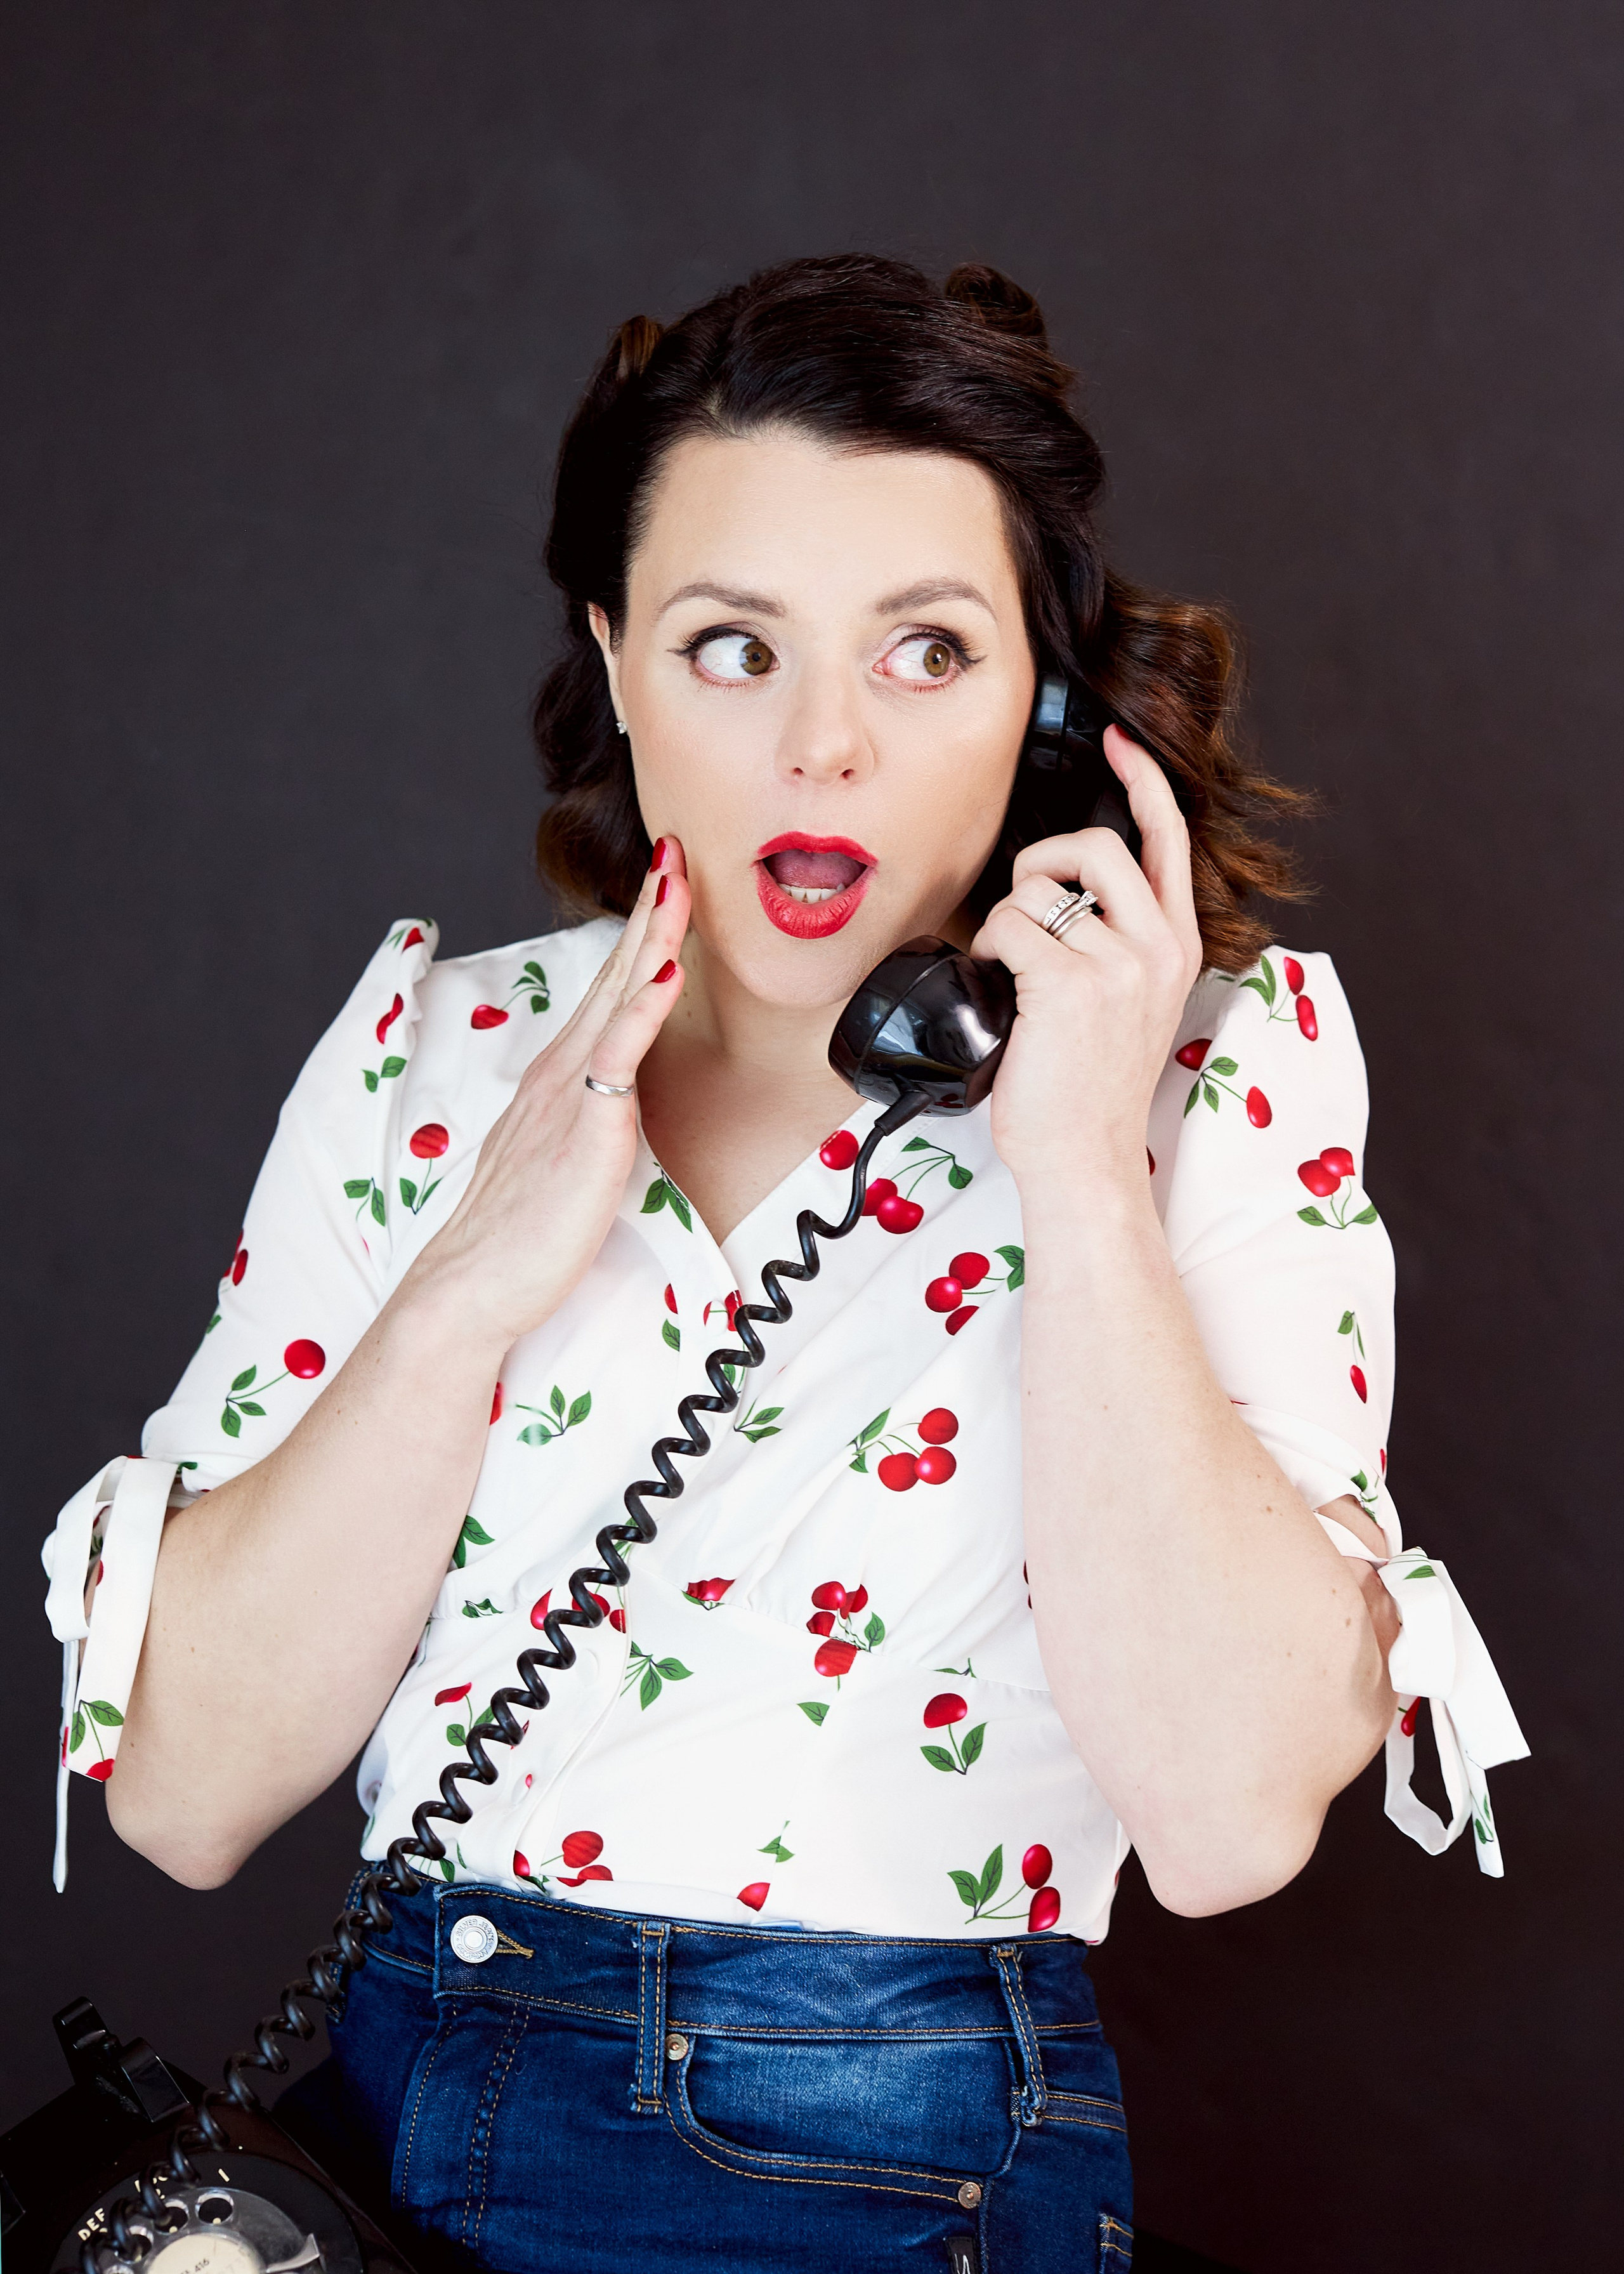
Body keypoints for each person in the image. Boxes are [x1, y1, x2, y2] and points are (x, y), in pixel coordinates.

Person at [42, 255, 1524, 2274]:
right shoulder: (439, 1055)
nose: (824, 746)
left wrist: (1080, 1178)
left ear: (1051, 704)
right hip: (367, 2141)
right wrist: (468, 1285)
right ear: (621, 662)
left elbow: (1235, 1815)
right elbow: (184, 1800)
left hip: (881, 2155)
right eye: (736, 650)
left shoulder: (1212, 1081)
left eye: (925, 653)